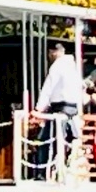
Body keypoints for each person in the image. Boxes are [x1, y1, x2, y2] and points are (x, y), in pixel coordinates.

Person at [35, 41, 85, 178]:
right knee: (65, 141)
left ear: (54, 52)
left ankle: (44, 173)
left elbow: (48, 88)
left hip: (60, 110)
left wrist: (38, 109)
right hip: (73, 111)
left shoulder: (57, 67)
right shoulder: (73, 67)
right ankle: (61, 170)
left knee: (47, 141)